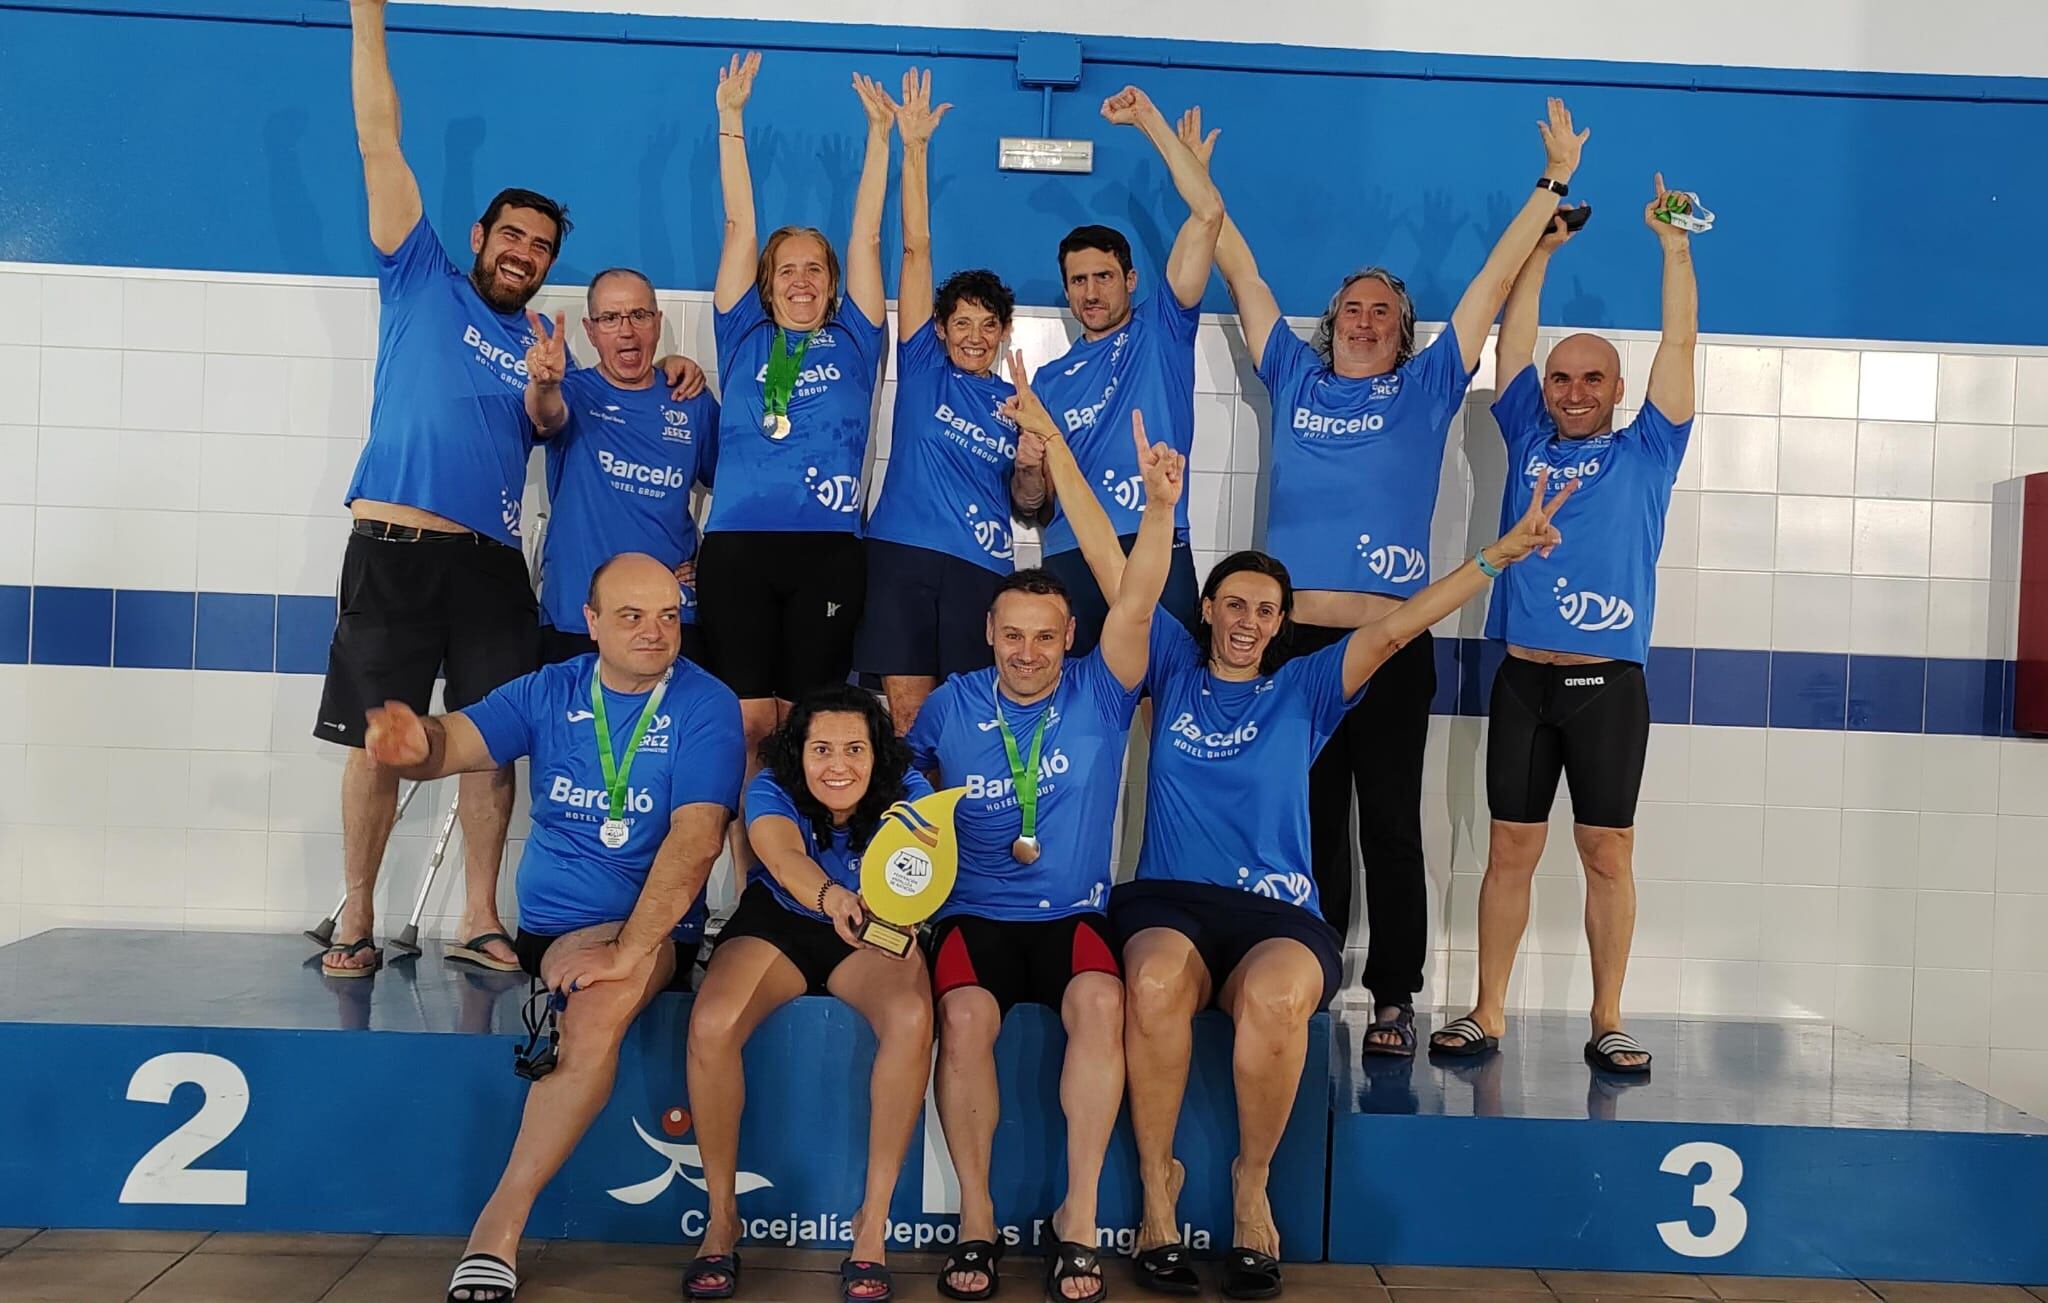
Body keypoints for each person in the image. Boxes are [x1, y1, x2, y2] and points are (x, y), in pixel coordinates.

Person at [1030, 385, 1571, 1295]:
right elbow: (1105, 552)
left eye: (1264, 611)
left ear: (1282, 625)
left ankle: (1250, 1183)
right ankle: (1159, 1188)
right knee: (1154, 979)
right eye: (1232, 605)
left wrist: (1497, 555)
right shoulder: (1169, 663)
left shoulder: (1308, 689)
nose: (1247, 622)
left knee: (1281, 1002)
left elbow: (1402, 621)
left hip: (1279, 914)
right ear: (1207, 612)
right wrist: (1072, 457)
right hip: (1170, 900)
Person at [1174, 101, 1590, 1058]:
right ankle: (1304, 976)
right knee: (1308, 819)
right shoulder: (1296, 375)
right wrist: (1198, 177)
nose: (1363, 319)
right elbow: (1236, 259)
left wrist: (1552, 183)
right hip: (1295, 646)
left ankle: (1394, 995)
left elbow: (1489, 282)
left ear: (1404, 335)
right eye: (1351, 307)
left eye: (1382, 311)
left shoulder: (1432, 383)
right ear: (1332, 327)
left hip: (1394, 642)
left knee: (1391, 825)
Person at [357, 552, 742, 1303]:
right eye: (632, 616)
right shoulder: (549, 688)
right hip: (559, 924)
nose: (656, 632)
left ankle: (497, 1225)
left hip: (652, 924)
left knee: (596, 1008)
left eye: (669, 614)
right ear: (590, 621)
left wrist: (628, 948)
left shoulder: (707, 703)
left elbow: (696, 841)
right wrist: (417, 746)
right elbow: (453, 743)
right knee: (590, 993)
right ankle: (496, 1224)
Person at [311, 0, 570, 977]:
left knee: (488, 746)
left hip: (493, 568)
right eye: (512, 236)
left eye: (540, 248)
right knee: (382, 739)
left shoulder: (536, 345)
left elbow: (548, 432)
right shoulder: (419, 275)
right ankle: (357, 917)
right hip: (394, 548)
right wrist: (367, 15)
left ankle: (476, 914)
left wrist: (546, 388)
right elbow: (378, 135)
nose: (523, 254)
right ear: (480, 234)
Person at [1428, 175, 1699, 1078]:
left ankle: (1609, 1016)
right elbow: (1514, 340)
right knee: (1511, 845)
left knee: (1606, 852)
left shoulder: (1649, 448)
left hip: (1606, 686)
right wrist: (1539, 254)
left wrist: (1673, 247)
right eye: (1561, 377)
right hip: (1523, 678)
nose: (1573, 390)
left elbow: (1679, 340)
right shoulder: (1527, 435)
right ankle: (1488, 1009)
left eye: (1591, 378)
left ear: (1618, 388)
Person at [907, 352, 1156, 1303]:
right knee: (964, 1016)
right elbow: (902, 810)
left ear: (1068, 640)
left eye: (1045, 635)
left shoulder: (1100, 688)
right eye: (1012, 635)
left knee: (1100, 1003)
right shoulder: (948, 709)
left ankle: (1078, 1214)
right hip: (973, 915)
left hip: (1073, 912)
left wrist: (1059, 447)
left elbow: (1131, 590)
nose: (1027, 651)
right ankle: (976, 1215)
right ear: (989, 637)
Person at [698, 51, 892, 874]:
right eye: (788, 270)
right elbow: (741, 226)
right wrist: (730, 122)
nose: (802, 279)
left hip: (827, 554)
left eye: (816, 268)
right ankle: (754, 890)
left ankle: (816, 882)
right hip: (740, 549)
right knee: (747, 726)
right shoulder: (742, 335)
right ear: (768, 287)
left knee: (811, 726)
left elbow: (868, 233)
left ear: (832, 284)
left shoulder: (856, 339)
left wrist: (882, 136)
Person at [684, 686, 935, 1303]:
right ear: (800, 753)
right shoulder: (771, 786)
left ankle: (870, 1225)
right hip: (784, 920)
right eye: (822, 749)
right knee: (712, 1024)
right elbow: (780, 851)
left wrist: (890, 911)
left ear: (878, 754)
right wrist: (832, 899)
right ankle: (722, 1217)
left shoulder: (913, 791)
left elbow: (924, 864)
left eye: (854, 748)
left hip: (877, 925)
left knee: (909, 1017)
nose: (839, 765)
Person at [856, 67, 1045, 735]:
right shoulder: (923, 367)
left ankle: (963, 840)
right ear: (940, 329)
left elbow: (1030, 505)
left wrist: (1028, 462)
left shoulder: (1020, 401)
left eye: (987, 324)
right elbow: (915, 249)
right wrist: (916, 147)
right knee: (907, 715)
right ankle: (913, 841)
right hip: (901, 555)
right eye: (961, 322)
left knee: (964, 719)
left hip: (979, 567)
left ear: (1002, 333)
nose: (973, 334)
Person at [1027, 84, 1223, 655]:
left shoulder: (1161, 328)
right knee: (1080, 713)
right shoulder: (1046, 380)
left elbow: (1208, 214)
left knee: (1163, 703)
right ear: (1066, 290)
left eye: (1104, 276)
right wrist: (1029, 467)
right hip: (1070, 550)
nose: (1091, 291)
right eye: (1078, 281)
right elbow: (1036, 503)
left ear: (1130, 281)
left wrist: (1147, 121)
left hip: (1153, 540)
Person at [526, 268, 721, 666]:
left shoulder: (690, 399)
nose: (626, 331)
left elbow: (741, 490)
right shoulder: (572, 392)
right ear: (591, 330)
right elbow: (546, 418)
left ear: (657, 322)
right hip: (579, 618)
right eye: (610, 319)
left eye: (639, 315)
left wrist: (716, 565)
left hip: (669, 619)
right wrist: (545, 385)